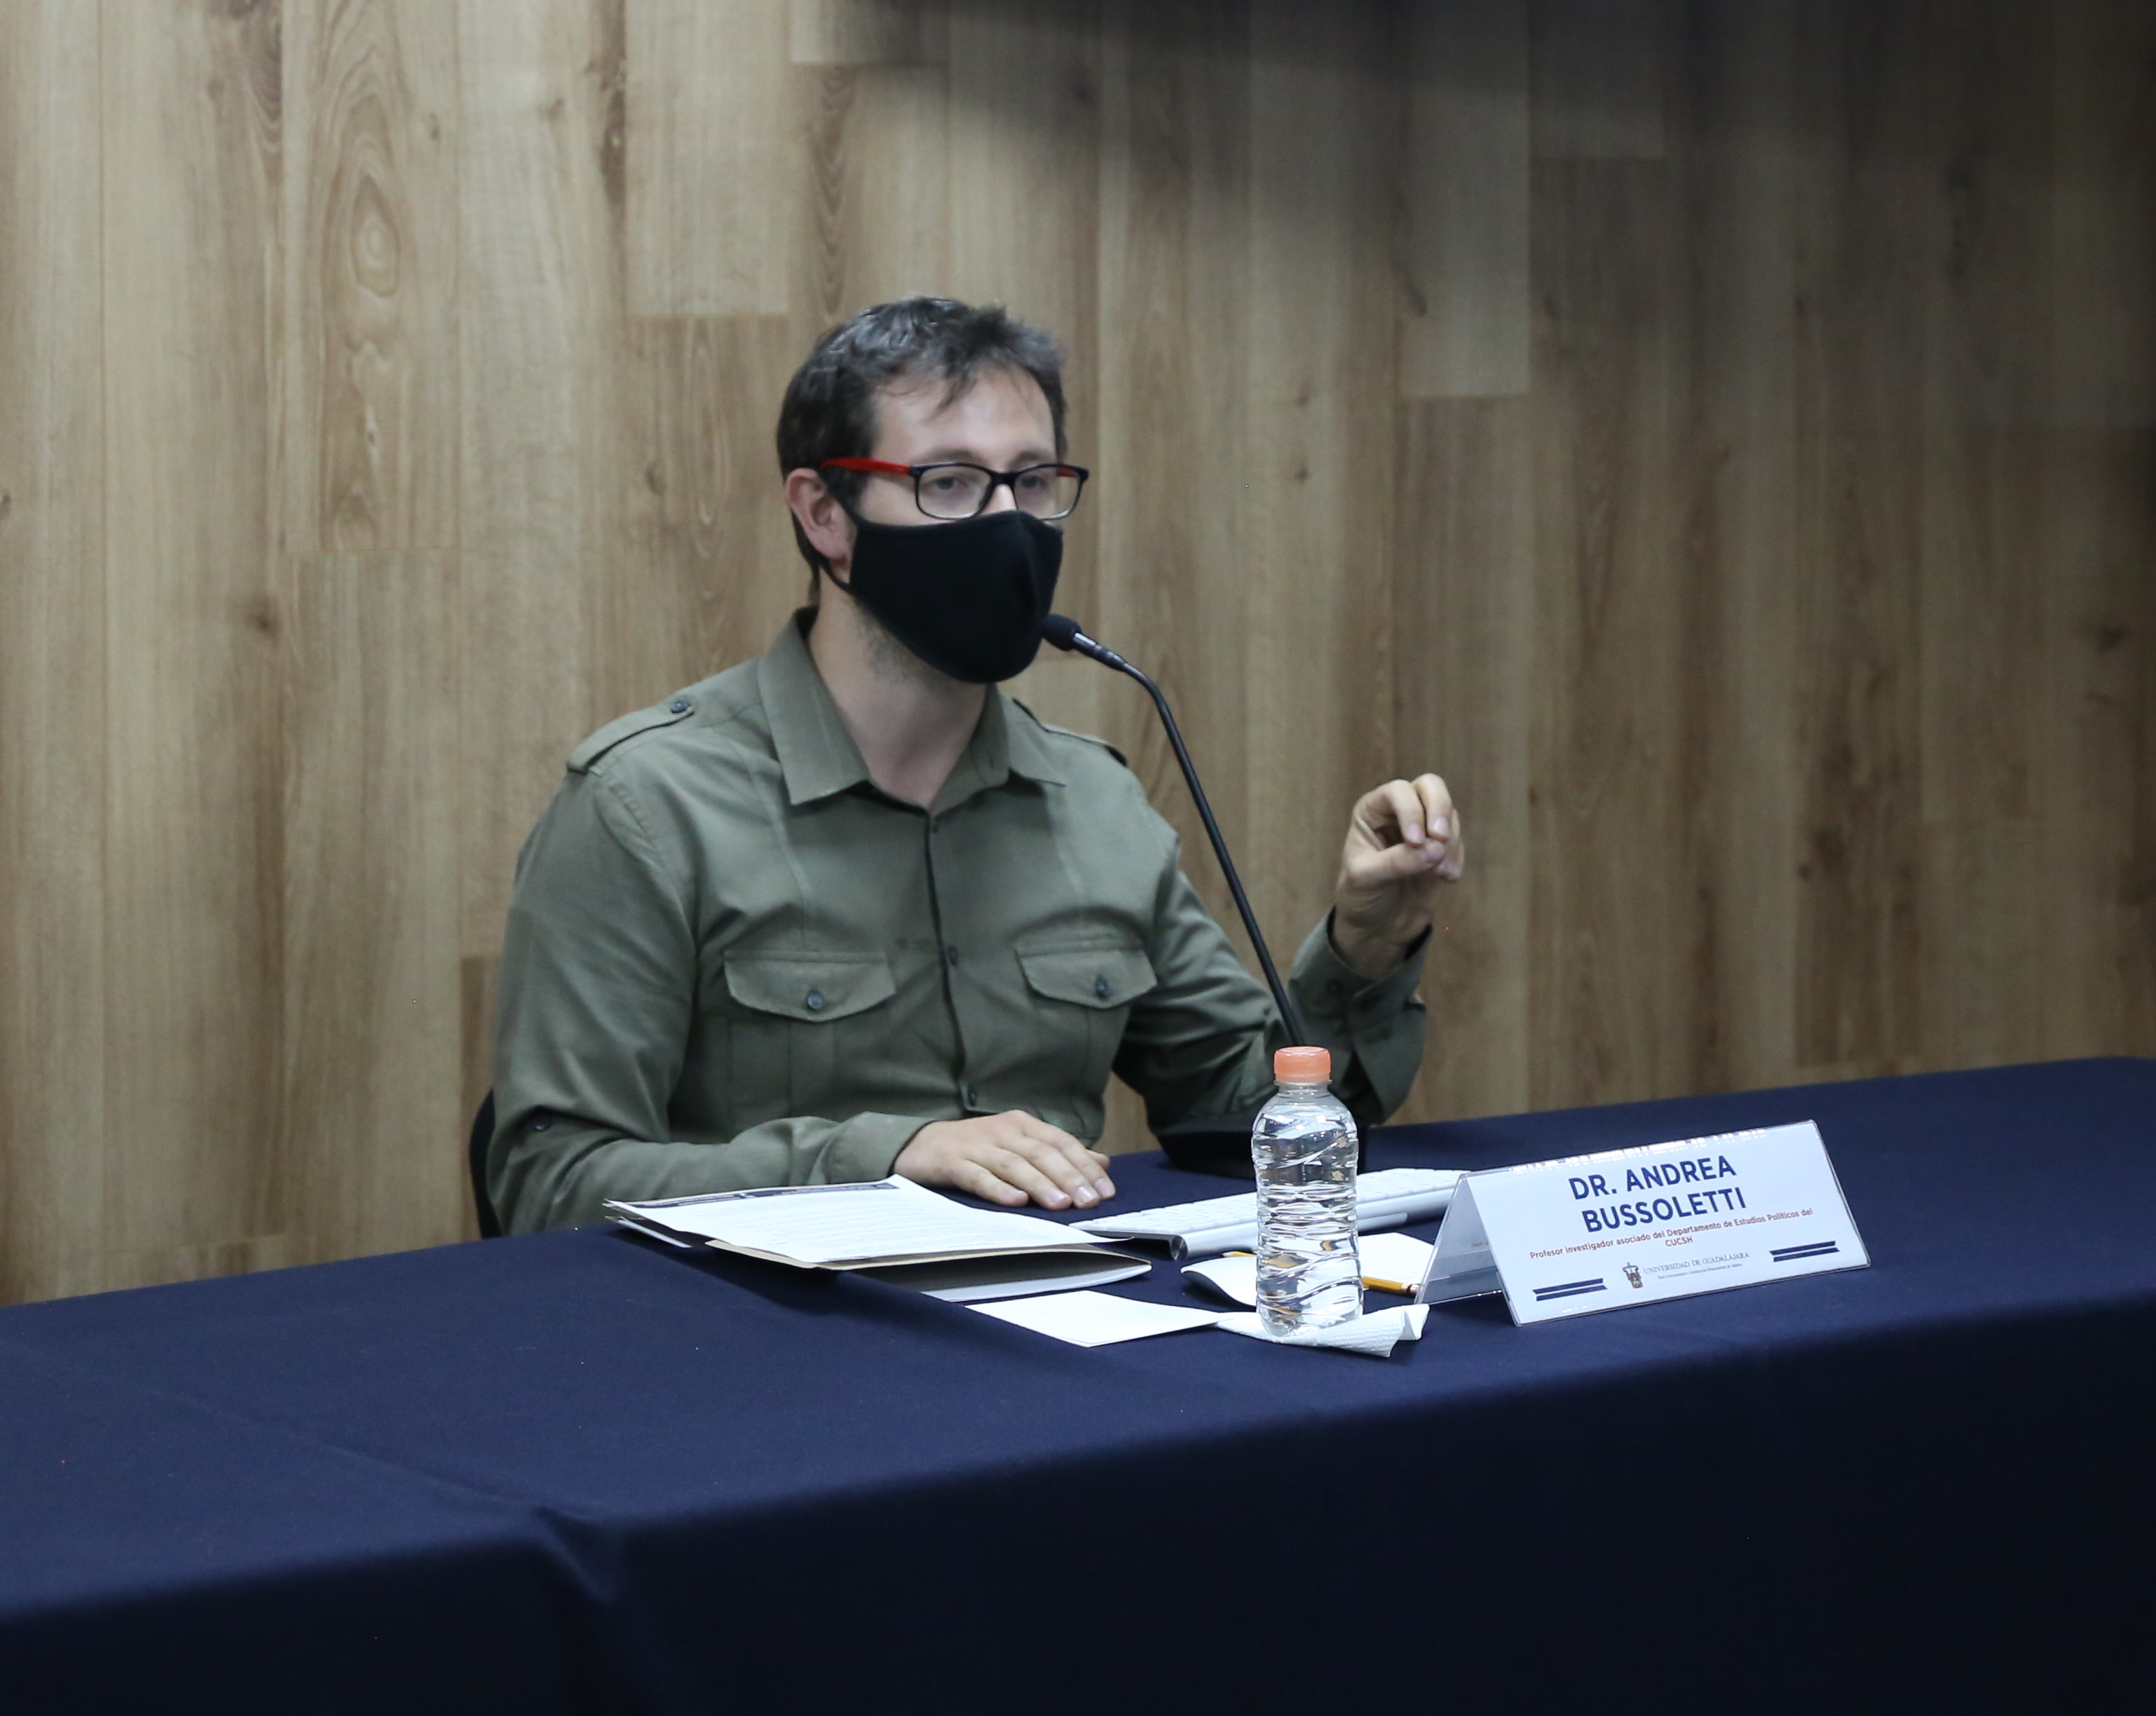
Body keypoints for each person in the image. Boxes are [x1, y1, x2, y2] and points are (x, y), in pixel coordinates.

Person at [484, 297, 1466, 1235]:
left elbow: (1246, 1116)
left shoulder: (1092, 801)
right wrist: (886, 1155)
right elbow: (552, 1185)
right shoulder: (648, 803)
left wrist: (1365, 948)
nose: (1007, 523)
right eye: (949, 483)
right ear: (825, 515)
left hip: (1066, 1317)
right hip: (767, 1331)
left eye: (1032, 482)